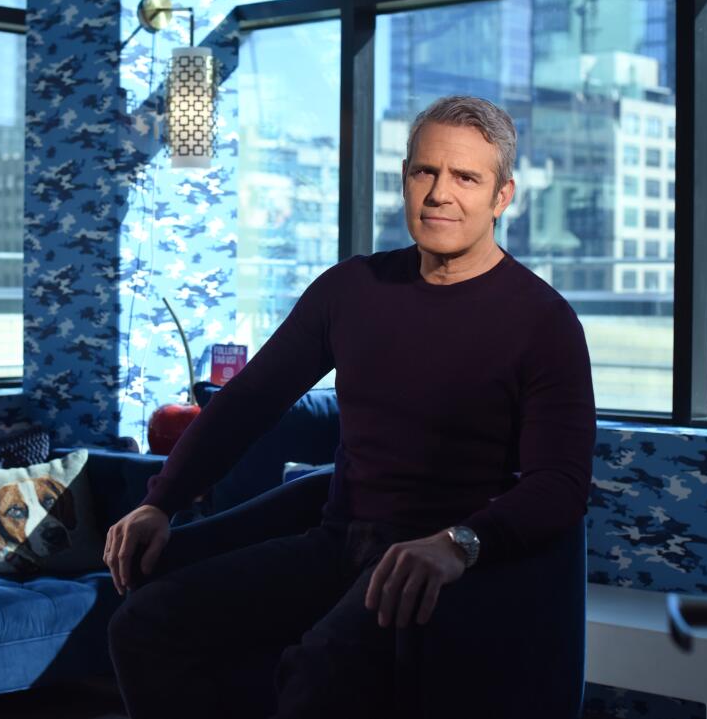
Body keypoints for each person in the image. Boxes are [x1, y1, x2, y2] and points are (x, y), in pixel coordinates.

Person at [104, 95, 596, 718]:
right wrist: (160, 500)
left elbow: (561, 485)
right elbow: (248, 403)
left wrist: (459, 544)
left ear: (502, 196)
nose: (440, 193)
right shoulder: (352, 289)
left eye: (466, 177)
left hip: (440, 562)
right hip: (337, 543)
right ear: (405, 180)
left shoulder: (543, 322)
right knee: (143, 624)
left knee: (320, 674)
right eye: (425, 172)